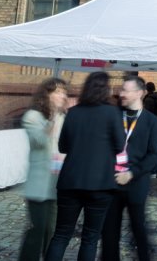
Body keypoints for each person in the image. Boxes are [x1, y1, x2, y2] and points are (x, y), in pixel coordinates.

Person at [45, 71, 126, 261]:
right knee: (90, 238)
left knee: (61, 235)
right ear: (106, 89)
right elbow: (120, 145)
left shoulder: (73, 112)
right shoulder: (112, 112)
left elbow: (62, 146)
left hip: (70, 180)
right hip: (101, 184)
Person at [101, 75, 157, 261]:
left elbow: (153, 155)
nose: (122, 93)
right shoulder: (113, 115)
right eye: (121, 89)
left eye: (126, 90)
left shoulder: (152, 121)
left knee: (138, 229)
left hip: (136, 183)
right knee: (109, 232)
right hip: (111, 181)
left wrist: (132, 173)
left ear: (140, 93)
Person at [19, 78, 68, 261]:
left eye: (64, 92)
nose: (62, 96)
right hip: (38, 183)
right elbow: (40, 141)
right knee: (38, 228)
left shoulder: (64, 117)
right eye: (57, 92)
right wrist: (54, 116)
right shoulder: (32, 117)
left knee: (52, 230)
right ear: (46, 95)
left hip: (56, 182)